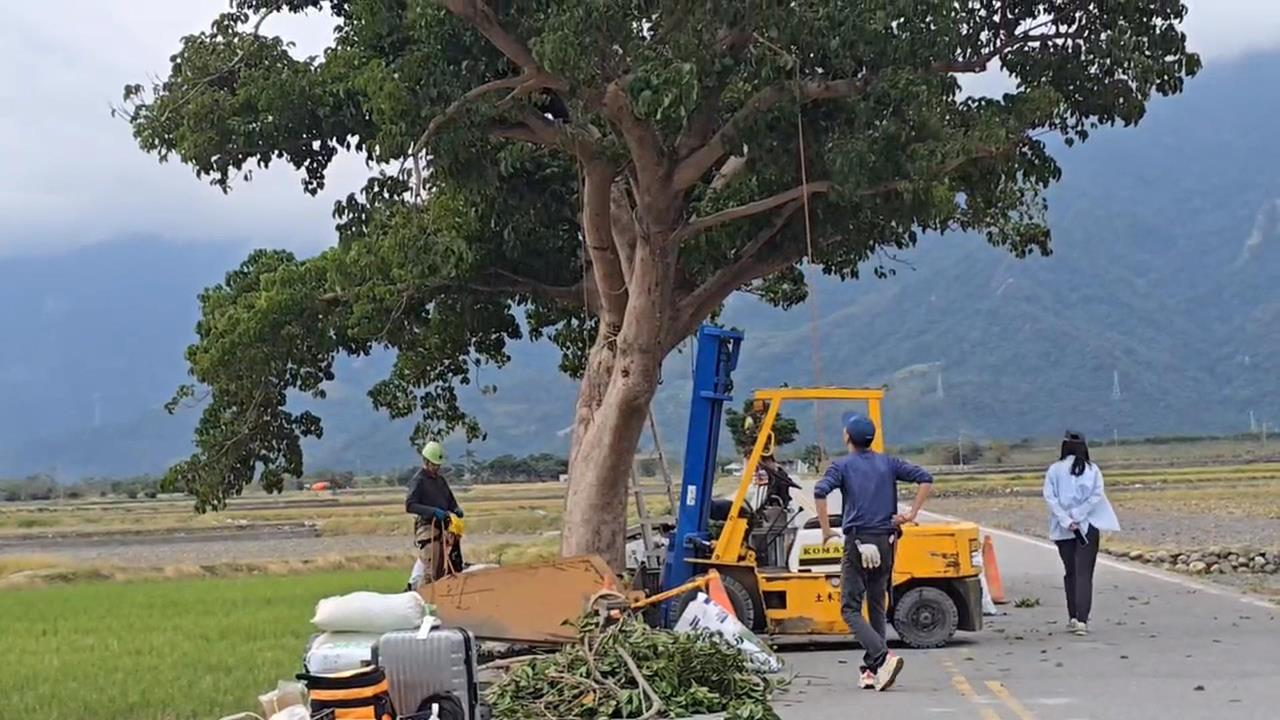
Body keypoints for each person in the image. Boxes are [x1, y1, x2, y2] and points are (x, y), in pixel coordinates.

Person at [814, 415, 934, 692]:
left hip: (857, 543)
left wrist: (825, 531)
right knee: (877, 604)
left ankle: (882, 656)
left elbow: (820, 491)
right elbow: (925, 478)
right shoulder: (889, 463)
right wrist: (911, 513)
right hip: (886, 540)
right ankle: (872, 669)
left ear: (847, 437)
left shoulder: (841, 466)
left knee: (850, 608)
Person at [1043, 430, 1120, 637]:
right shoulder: (1092, 469)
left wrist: (1066, 519)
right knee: (1085, 574)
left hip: (1063, 529)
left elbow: (1050, 498)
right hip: (1088, 527)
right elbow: (1096, 496)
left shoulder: (1054, 470)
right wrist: (1078, 515)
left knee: (1071, 573)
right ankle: (1083, 621)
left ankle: (1073, 617)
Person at [405, 441, 465, 590]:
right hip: (428, 529)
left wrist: (455, 508)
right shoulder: (418, 481)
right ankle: (421, 598)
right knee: (430, 572)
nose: (436, 468)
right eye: (433, 464)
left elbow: (450, 500)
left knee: (443, 570)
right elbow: (410, 505)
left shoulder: (440, 481)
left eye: (438, 465)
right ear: (425, 461)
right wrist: (433, 512)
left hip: (444, 529)